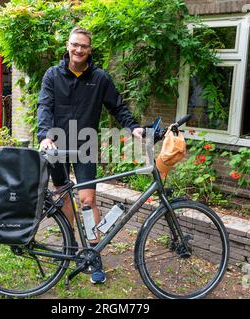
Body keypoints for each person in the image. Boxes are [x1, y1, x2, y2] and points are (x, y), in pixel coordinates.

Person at [37, 27, 144, 284]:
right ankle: (70, 246)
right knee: (63, 196)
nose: (79, 50)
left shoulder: (100, 78)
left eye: (84, 46)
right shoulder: (52, 75)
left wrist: (134, 127)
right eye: (75, 45)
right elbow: (44, 105)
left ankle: (93, 253)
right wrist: (44, 136)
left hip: (85, 143)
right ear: (67, 45)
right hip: (57, 145)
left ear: (90, 49)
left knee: (87, 200)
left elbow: (116, 106)